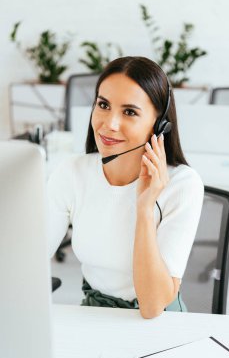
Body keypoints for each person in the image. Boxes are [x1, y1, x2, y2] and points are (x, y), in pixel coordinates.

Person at [48, 56, 204, 319]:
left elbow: (153, 306)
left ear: (159, 125)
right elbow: (28, 259)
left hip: (161, 324)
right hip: (94, 317)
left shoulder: (182, 185)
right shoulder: (72, 172)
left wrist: (144, 207)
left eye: (129, 112)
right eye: (103, 105)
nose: (110, 123)